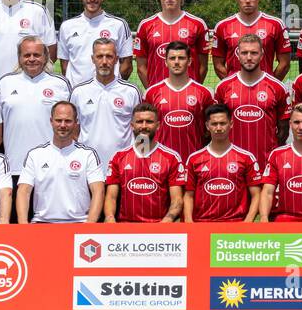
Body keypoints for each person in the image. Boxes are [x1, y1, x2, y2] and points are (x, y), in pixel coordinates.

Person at [0, 35, 71, 221]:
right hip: (14, 168)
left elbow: (71, 126)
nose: (31, 59)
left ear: (45, 57)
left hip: (52, 169)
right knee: (16, 227)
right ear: (19, 58)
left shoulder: (60, 84)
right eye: (26, 55)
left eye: (36, 54)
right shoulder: (5, 83)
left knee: (49, 224)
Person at [16, 101, 104, 223]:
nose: (63, 125)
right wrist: (23, 225)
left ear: (76, 122)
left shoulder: (88, 154)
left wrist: (89, 226)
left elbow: (98, 191)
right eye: (58, 120)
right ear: (51, 121)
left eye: (68, 121)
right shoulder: (35, 154)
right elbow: (24, 191)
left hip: (79, 224)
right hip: (42, 223)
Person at [213, 33, 291, 168]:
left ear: (262, 55)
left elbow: (283, 130)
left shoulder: (278, 87)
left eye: (254, 53)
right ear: (238, 55)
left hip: (266, 164)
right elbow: (215, 126)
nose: (249, 57)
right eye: (244, 53)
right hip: (231, 164)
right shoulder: (223, 87)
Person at [104, 103, 187, 223]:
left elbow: (177, 199)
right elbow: (111, 197)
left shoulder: (171, 158)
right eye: (139, 122)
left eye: (149, 122)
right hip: (126, 226)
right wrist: (110, 217)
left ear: (158, 125)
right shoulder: (118, 157)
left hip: (160, 226)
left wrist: (167, 220)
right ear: (132, 125)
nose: (144, 126)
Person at [70, 36, 143, 174]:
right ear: (93, 59)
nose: (104, 61)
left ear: (116, 59)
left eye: (109, 56)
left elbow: (142, 130)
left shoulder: (131, 91)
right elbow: (73, 130)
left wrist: (142, 161)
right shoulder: (79, 92)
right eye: (100, 56)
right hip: (89, 169)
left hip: (123, 168)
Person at [183, 104, 263, 222]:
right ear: (207, 126)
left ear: (231, 124)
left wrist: (248, 222)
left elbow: (256, 194)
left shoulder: (246, 157)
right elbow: (188, 195)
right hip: (202, 223)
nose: (219, 128)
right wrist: (189, 223)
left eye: (223, 123)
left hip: (235, 223)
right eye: (214, 124)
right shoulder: (194, 159)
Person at [143, 40, 215, 164]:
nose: (176, 62)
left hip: (194, 163)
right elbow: (143, 130)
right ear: (165, 62)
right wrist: (142, 157)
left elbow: (211, 131)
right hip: (160, 164)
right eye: (172, 58)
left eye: (181, 58)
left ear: (190, 61)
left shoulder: (204, 93)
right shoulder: (151, 93)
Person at [133, 0, 211, 87]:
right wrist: (152, 92)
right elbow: (141, 67)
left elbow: (203, 66)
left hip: (189, 96)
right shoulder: (146, 25)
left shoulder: (197, 24)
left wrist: (193, 90)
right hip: (157, 97)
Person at [56, 0, 132, 86]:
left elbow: (127, 64)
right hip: (77, 94)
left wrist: (111, 86)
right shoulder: (67, 26)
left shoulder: (119, 25)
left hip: (109, 92)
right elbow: (64, 65)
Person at [211, 0, 291, 80]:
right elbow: (218, 65)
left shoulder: (275, 24)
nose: (248, 0)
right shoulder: (223, 26)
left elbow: (284, 63)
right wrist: (232, 85)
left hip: (265, 93)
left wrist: (270, 85)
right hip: (234, 93)